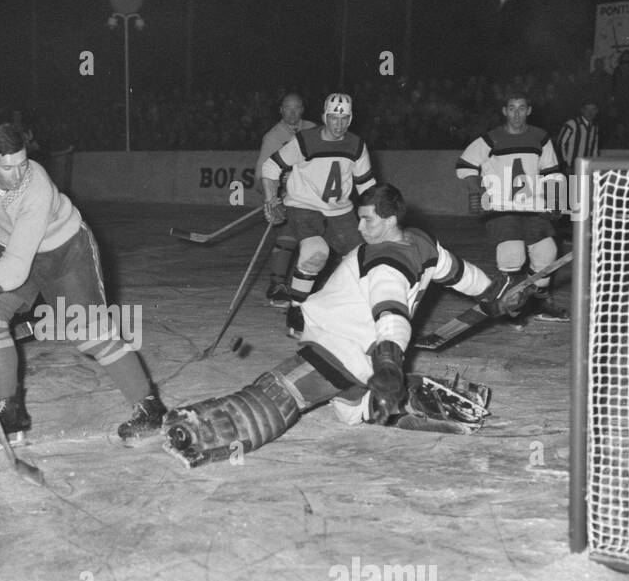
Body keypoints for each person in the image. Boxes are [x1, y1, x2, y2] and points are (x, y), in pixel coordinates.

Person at [162, 183, 509, 468]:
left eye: (367, 220)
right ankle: (379, 400)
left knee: (276, 396)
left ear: (389, 220)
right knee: (349, 410)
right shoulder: (422, 242)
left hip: (335, 352)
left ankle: (197, 432)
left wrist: (389, 364)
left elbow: (392, 315)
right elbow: (462, 274)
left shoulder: (384, 263)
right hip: (365, 362)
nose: (358, 228)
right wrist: (495, 292)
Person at [0, 121, 166, 451]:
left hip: (65, 252)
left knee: (89, 335)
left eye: (22, 164)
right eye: (7, 167)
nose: (17, 175)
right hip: (12, 248)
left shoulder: (35, 187)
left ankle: (149, 409)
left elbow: (14, 269)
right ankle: (9, 419)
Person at [260, 92, 372, 338]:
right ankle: (297, 309)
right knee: (315, 252)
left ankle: (333, 308)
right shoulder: (305, 141)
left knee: (360, 261)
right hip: (304, 206)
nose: (339, 124)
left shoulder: (356, 145)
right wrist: (271, 198)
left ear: (351, 119)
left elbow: (366, 185)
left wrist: (378, 214)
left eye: (344, 119)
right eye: (334, 118)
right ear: (325, 117)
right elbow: (270, 167)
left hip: (340, 211)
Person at [456, 91, 567, 322]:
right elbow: (465, 166)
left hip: (533, 205)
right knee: (512, 254)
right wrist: (477, 191)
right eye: (512, 108)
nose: (516, 113)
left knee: (547, 252)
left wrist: (556, 199)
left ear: (529, 110)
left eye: (521, 108)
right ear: (505, 111)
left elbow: (552, 173)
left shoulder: (541, 137)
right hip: (501, 207)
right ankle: (512, 304)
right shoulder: (489, 139)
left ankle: (539, 302)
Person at [257, 91, 315, 307]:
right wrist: (273, 196)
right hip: (288, 197)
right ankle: (278, 283)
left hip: (314, 197)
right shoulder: (272, 137)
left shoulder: (314, 130)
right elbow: (261, 172)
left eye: (297, 107)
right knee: (288, 235)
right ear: (281, 110)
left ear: (303, 109)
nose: (293, 113)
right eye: (288, 108)